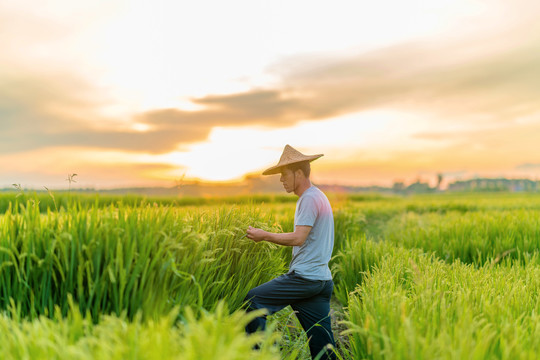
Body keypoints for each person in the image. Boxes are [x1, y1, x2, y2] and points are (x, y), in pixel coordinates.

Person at [244, 144, 336, 360]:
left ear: (299, 173)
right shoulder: (318, 196)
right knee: (324, 349)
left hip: (304, 279)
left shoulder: (309, 198)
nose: (281, 180)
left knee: (252, 302)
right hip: (321, 281)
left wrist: (264, 235)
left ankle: (265, 356)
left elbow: (298, 237)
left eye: (284, 175)